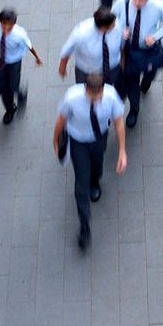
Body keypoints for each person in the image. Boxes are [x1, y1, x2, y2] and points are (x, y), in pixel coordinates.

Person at [52, 72, 127, 250]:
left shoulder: (110, 96)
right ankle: (85, 225)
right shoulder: (72, 97)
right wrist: (55, 141)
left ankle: (95, 182)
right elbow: (61, 120)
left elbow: (118, 122)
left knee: (97, 165)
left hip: (99, 138)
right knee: (81, 182)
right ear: (85, 89)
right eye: (92, 98)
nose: (95, 101)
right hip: (78, 141)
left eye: (98, 97)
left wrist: (122, 150)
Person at [113, 0, 163, 128]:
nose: (136, 2)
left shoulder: (158, 5)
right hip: (130, 49)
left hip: (149, 49)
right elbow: (112, 17)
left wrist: (156, 36)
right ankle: (134, 110)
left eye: (141, 0)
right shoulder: (124, 0)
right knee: (132, 81)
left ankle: (147, 80)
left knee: (149, 73)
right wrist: (119, 31)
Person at [0, 7, 43, 124]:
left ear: (14, 23)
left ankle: (20, 92)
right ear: (0, 21)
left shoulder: (19, 34)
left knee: (12, 85)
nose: (6, 29)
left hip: (13, 64)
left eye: (9, 26)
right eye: (4, 25)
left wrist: (37, 58)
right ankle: (10, 109)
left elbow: (29, 46)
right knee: (3, 89)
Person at [59, 7, 123, 87]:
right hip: (87, 72)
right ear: (103, 28)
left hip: (111, 68)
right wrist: (62, 67)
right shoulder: (81, 34)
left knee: (109, 87)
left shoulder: (117, 26)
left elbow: (121, 44)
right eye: (112, 25)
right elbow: (67, 50)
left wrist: (123, 61)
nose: (115, 25)